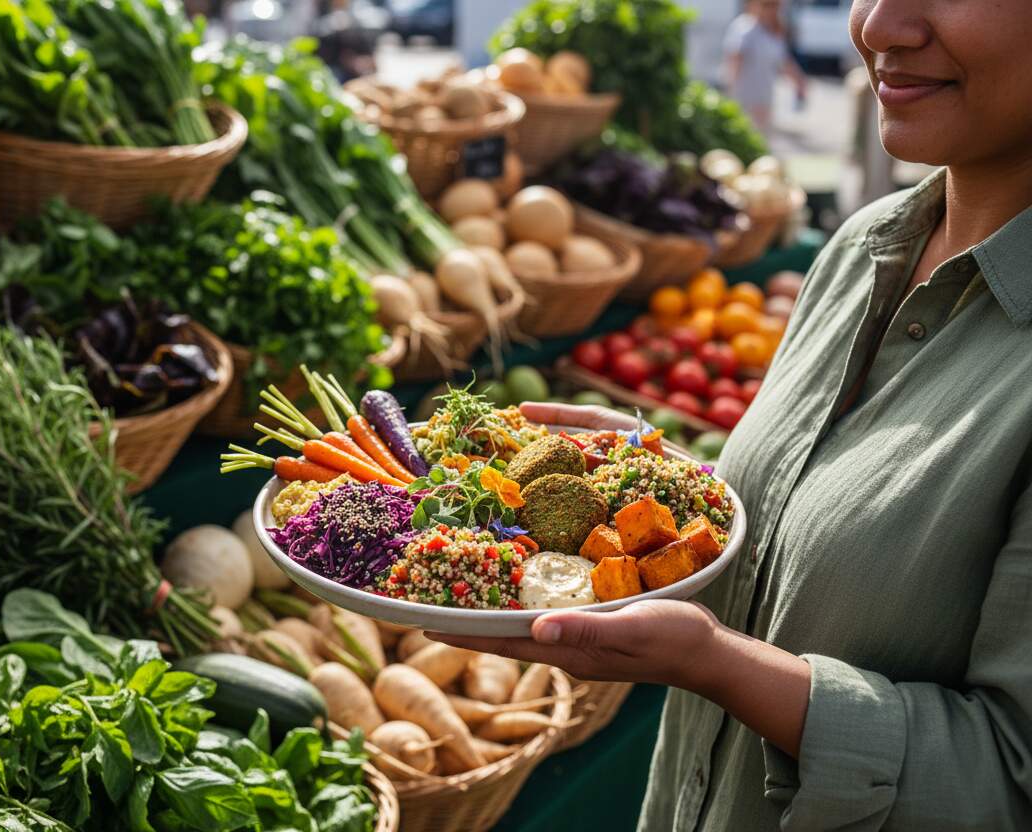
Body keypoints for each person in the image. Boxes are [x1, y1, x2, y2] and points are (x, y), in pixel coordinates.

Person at [435, 1, 1032, 829]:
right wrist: (669, 497)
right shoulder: (862, 248)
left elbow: (1011, 781)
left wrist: (719, 665)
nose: (881, 25)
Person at [723, 0, 808, 132]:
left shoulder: (773, 32)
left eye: (774, 6)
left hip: (764, 96)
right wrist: (731, 92)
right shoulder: (744, 28)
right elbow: (735, 61)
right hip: (744, 97)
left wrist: (799, 82)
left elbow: (783, 61)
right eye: (766, 5)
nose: (770, 10)